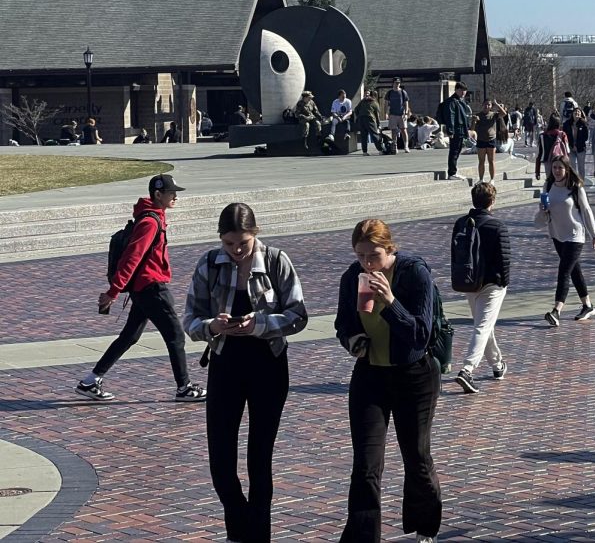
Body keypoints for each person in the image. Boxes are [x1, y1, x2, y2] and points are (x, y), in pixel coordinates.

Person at [183, 202, 308, 543]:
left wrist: (260, 324)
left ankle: (257, 535)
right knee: (221, 463)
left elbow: (298, 314)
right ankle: (241, 528)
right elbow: (190, 320)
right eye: (229, 244)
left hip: (268, 364)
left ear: (256, 235)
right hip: (225, 364)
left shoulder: (277, 261)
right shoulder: (209, 264)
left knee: (259, 460)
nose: (237, 251)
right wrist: (212, 325)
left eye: (244, 243)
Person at [335, 218, 441, 543]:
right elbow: (343, 324)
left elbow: (420, 334)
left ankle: (426, 528)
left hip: (414, 375)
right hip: (371, 376)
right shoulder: (353, 276)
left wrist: (391, 301)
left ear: (390, 249)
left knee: (416, 456)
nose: (367, 263)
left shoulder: (414, 273)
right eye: (361, 255)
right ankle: (363, 538)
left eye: (374, 255)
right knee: (366, 464)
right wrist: (353, 341)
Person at [76, 174, 206, 403]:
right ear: (158, 194)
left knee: (130, 336)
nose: (175, 196)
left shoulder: (153, 217)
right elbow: (131, 258)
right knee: (175, 335)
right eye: (171, 192)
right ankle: (184, 387)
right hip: (152, 288)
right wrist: (113, 292)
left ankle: (90, 380)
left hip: (144, 288)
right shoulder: (149, 222)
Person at [452, 182, 512, 394]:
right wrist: (504, 281)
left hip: (469, 281)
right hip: (491, 284)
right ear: (492, 202)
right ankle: (467, 369)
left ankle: (497, 365)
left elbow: (455, 254)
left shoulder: (461, 223)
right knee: (483, 326)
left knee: (484, 324)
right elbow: (504, 258)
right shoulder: (497, 226)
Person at [538, 155, 595, 326]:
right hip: (557, 234)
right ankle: (588, 305)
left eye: (560, 167)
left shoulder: (575, 187)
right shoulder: (548, 185)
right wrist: (543, 209)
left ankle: (556, 310)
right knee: (574, 271)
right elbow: (544, 209)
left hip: (575, 235)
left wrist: (594, 235)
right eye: (554, 167)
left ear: (567, 169)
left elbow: (586, 211)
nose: (557, 171)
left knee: (564, 271)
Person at [436, 81, 472, 179]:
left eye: (465, 90)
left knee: (457, 150)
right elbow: (450, 116)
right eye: (461, 90)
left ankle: (453, 170)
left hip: (460, 129)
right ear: (456, 90)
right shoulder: (452, 101)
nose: (463, 92)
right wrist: (450, 130)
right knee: (454, 150)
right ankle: (452, 172)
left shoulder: (460, 101)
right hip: (456, 129)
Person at [473, 99, 508, 182]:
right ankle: (481, 179)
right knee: (481, 161)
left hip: (491, 140)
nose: (486, 106)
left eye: (489, 105)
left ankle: (492, 179)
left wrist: (496, 104)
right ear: (482, 105)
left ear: (491, 106)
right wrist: (474, 121)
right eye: (485, 104)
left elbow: (504, 113)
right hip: (481, 140)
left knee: (491, 161)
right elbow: (472, 129)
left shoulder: (494, 115)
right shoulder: (478, 115)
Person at [535, 114, 571, 182]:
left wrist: (537, 171)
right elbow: (568, 150)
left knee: (549, 181)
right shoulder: (562, 134)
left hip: (547, 161)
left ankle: (550, 192)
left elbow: (538, 154)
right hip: (561, 161)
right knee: (561, 181)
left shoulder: (542, 136)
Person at [386, 79, 411, 153]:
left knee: (403, 130)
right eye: (396, 83)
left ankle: (406, 146)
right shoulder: (390, 93)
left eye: (398, 83)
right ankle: (394, 146)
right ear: (393, 83)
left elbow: (406, 103)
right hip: (393, 114)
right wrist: (386, 113)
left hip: (401, 114)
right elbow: (386, 103)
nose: (397, 84)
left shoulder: (403, 92)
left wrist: (406, 113)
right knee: (393, 130)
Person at [568, 108, 590, 184]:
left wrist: (577, 145)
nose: (577, 113)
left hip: (580, 148)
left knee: (581, 167)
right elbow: (566, 136)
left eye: (579, 112)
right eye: (575, 112)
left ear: (581, 114)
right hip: (570, 147)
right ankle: (573, 182)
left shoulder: (584, 124)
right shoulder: (567, 124)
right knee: (572, 166)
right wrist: (572, 145)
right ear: (572, 114)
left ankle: (581, 182)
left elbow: (585, 137)